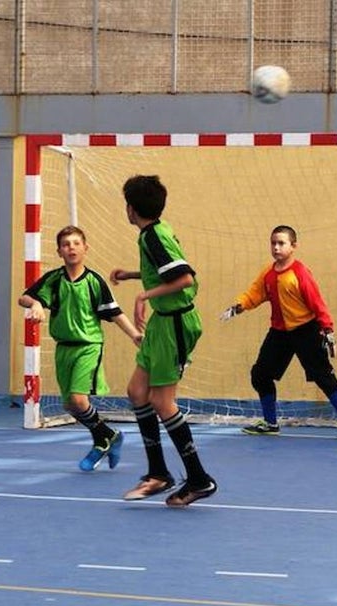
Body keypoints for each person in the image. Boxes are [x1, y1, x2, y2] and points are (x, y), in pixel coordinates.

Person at [109, 175, 219, 507]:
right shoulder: (155, 231)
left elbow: (185, 278)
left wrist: (143, 294)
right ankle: (157, 473)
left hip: (175, 324)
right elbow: (167, 271)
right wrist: (132, 275)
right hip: (162, 323)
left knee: (162, 401)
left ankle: (199, 479)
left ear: (131, 208)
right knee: (137, 392)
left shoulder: (154, 236)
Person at [19, 225, 143, 472]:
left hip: (89, 345)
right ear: (59, 251)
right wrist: (36, 305)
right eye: (66, 244)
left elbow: (115, 313)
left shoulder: (95, 282)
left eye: (76, 243)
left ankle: (106, 436)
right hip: (63, 347)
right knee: (70, 405)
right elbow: (25, 297)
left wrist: (135, 335)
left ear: (85, 248)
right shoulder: (54, 280)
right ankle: (105, 438)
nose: (71, 248)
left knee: (78, 399)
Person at [219, 225, 337, 441]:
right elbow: (254, 294)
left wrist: (328, 331)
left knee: (324, 376)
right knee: (260, 374)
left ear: (293, 246)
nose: (276, 247)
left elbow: (317, 303)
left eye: (281, 243)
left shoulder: (300, 273)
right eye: (273, 243)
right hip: (280, 333)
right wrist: (238, 307)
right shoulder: (268, 273)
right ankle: (270, 423)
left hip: (307, 331)